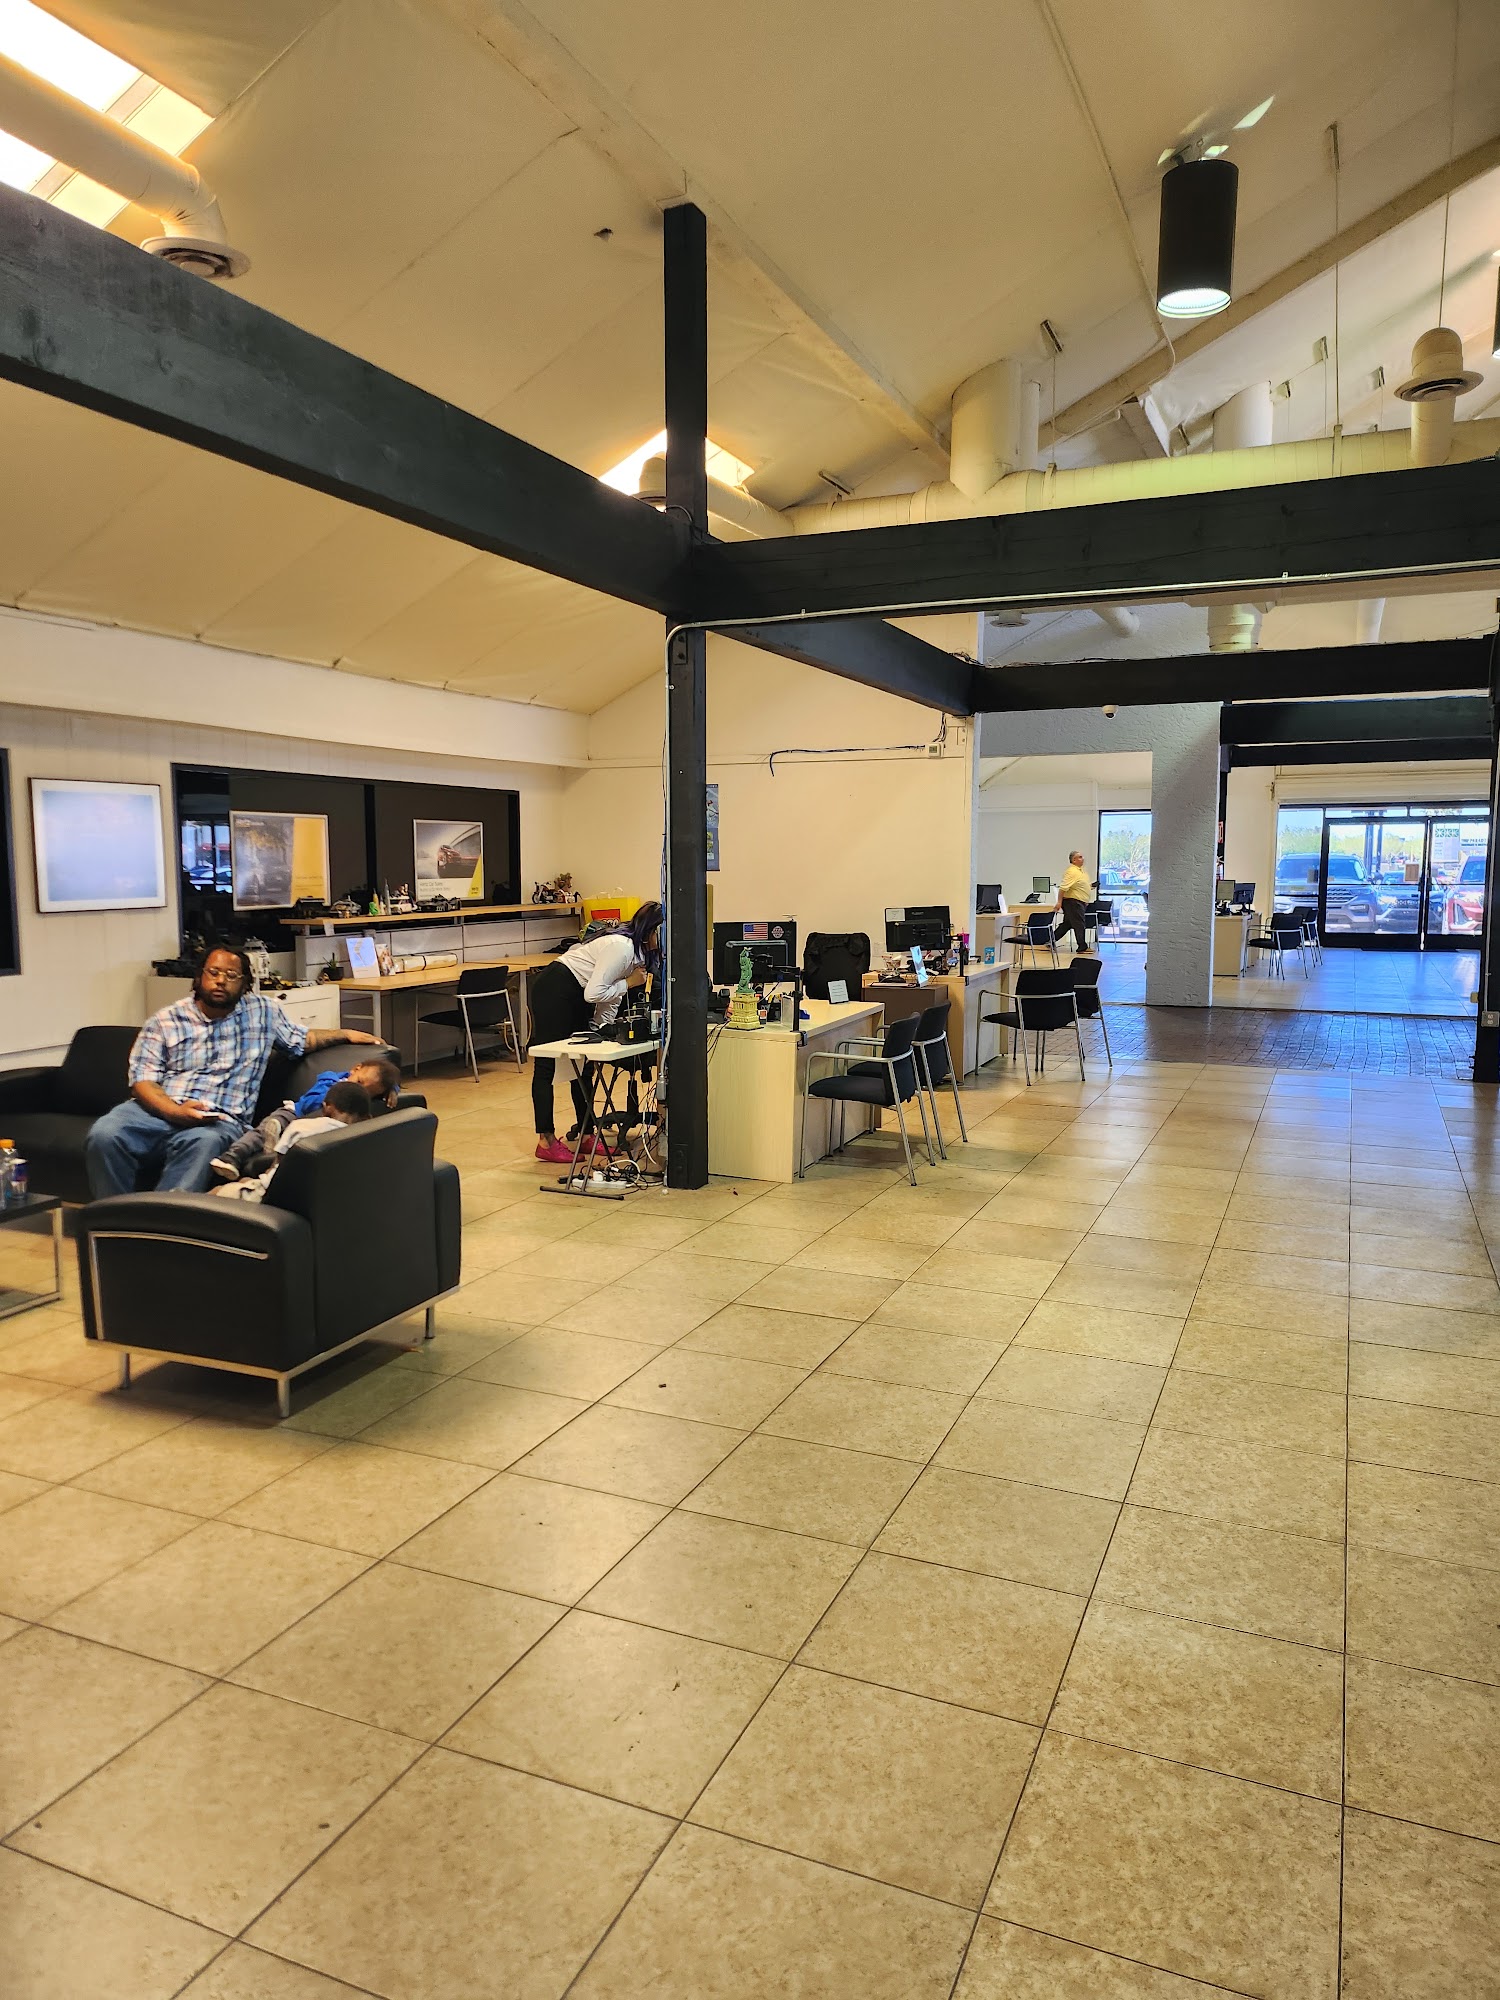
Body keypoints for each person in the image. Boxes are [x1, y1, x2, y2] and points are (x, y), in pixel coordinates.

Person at [86, 945, 383, 1197]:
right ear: (199, 977)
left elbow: (301, 1039)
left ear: (244, 984)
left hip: (218, 1119)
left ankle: (162, 1226)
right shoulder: (166, 1020)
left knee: (203, 1143)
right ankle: (113, 1220)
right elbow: (143, 1081)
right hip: (157, 1110)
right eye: (213, 973)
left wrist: (345, 1033)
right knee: (105, 1133)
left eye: (231, 976)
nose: (220, 981)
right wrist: (175, 1112)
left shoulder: (263, 1012)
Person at [529, 901, 662, 1164]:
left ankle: (587, 1133)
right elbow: (596, 993)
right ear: (651, 932)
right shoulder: (622, 948)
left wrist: (602, 1029)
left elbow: (610, 996)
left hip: (577, 993)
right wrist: (629, 983)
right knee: (546, 1064)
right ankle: (546, 1140)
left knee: (584, 1066)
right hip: (555, 988)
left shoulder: (638, 955)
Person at [211, 1056, 400, 1181]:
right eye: (359, 1082)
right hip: (295, 1112)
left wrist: (393, 1089)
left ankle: (274, 1142)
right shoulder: (329, 1080)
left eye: (368, 1091)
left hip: (314, 1127)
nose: (360, 1089)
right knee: (264, 1129)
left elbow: (383, 1085)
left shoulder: (360, 1099)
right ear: (356, 1069)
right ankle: (233, 1156)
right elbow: (309, 1104)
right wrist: (333, 1095)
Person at [214, 1078, 373, 1202]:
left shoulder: (301, 1127)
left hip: (271, 1197)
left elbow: (276, 1170)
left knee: (215, 1192)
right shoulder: (366, 1140)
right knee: (246, 1181)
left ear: (326, 1108)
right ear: (367, 1118)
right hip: (324, 1202)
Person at [1057, 850, 1096, 956]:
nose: (1082, 859)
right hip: (1073, 902)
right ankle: (1082, 947)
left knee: (1068, 924)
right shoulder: (1072, 871)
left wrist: (1091, 886)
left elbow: (1080, 886)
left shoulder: (1081, 871)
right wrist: (1059, 902)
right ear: (1074, 860)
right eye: (1080, 857)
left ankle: (1049, 940)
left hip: (1079, 902)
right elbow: (1063, 888)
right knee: (1079, 924)